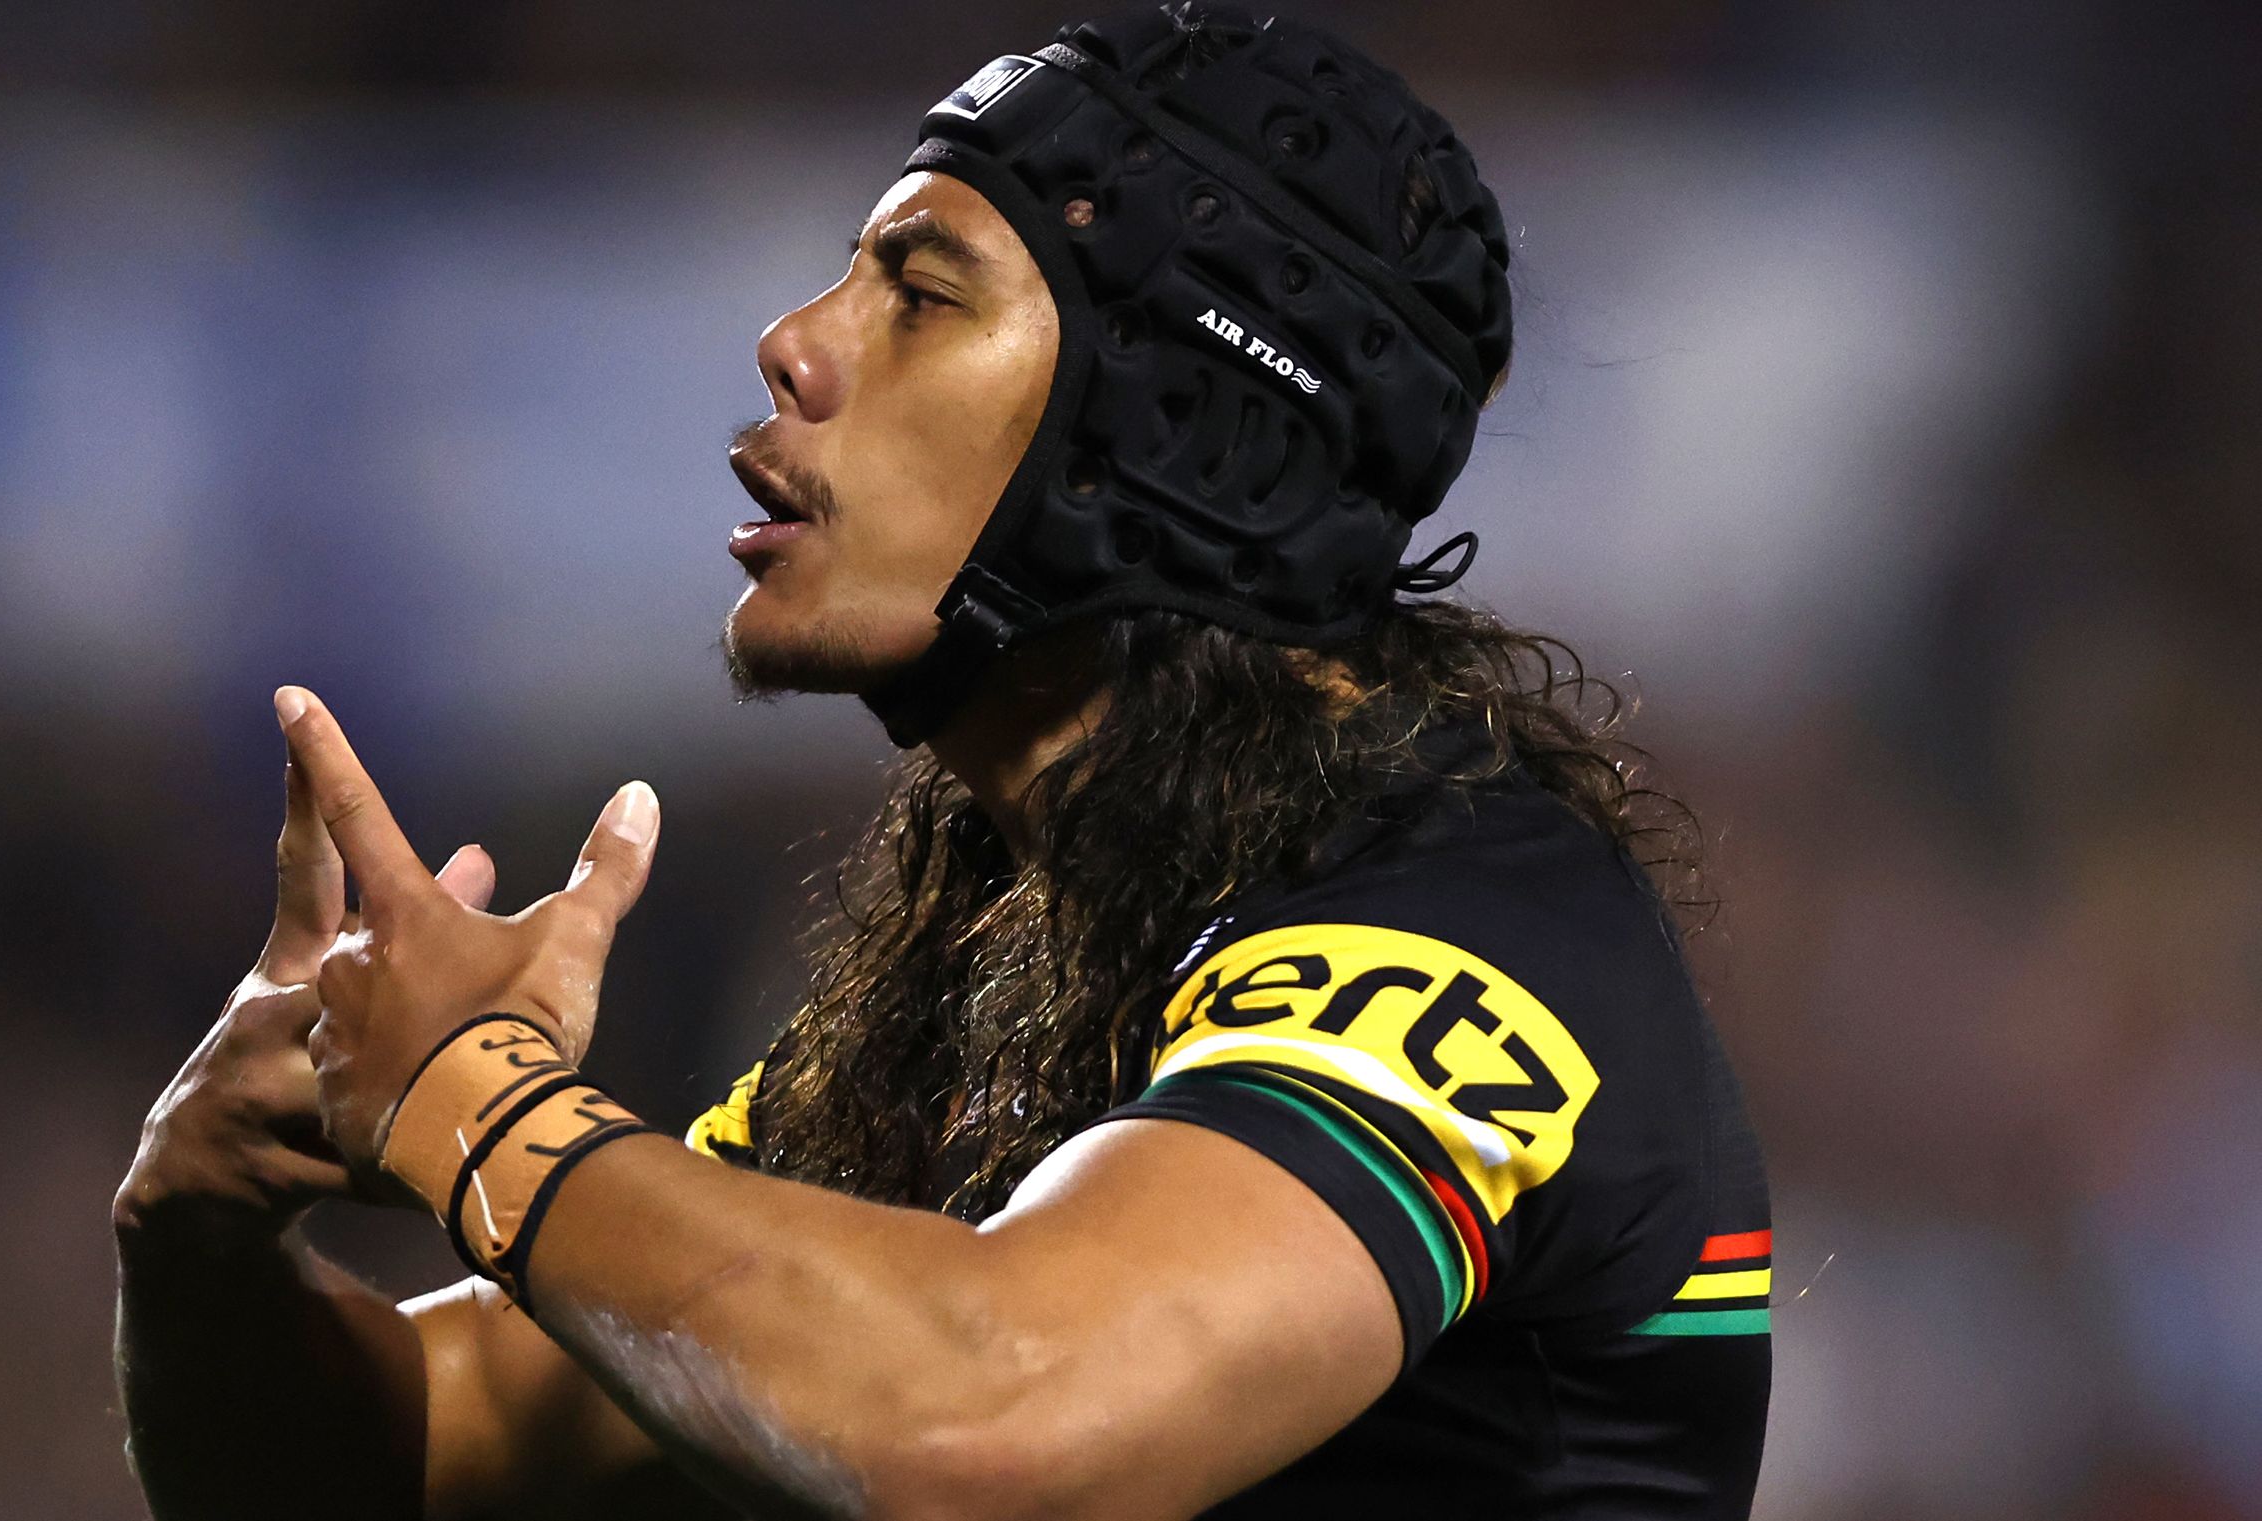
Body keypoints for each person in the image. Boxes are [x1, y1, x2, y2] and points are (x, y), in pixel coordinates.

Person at [110, 5, 1772, 1517]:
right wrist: (194, 1229)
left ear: (1168, 417)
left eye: (919, 294)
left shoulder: (1459, 931)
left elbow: (1001, 1419)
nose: (795, 344)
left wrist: (469, 1101)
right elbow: (390, 1459)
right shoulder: (1014, 953)